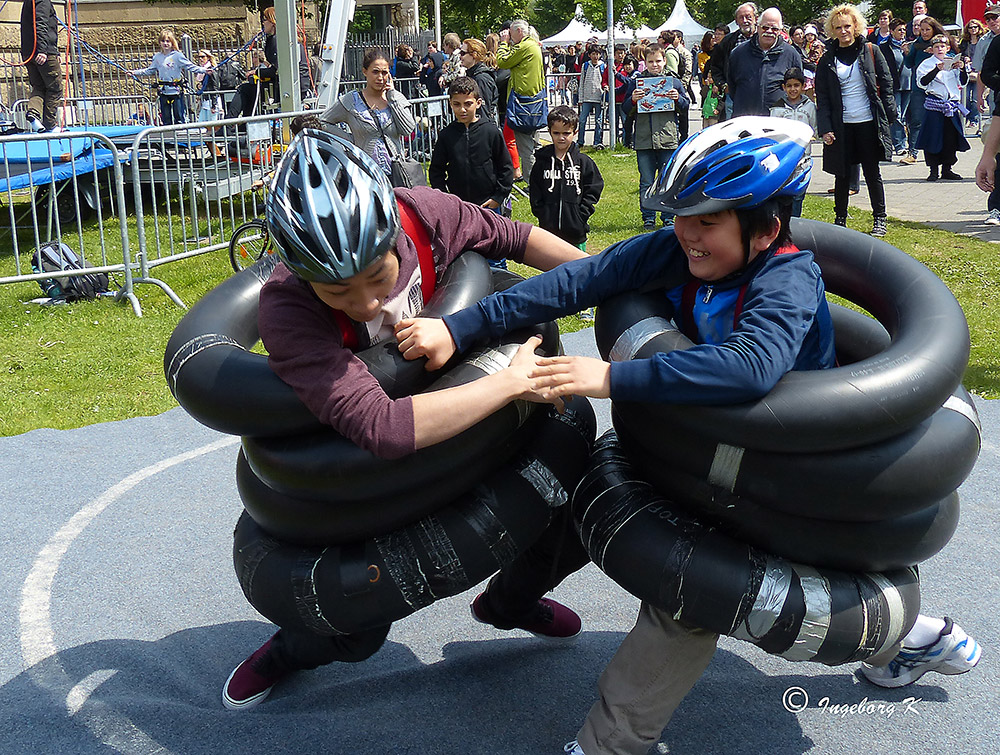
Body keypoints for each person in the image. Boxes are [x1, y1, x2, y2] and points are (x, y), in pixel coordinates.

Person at [391, 116, 982, 755]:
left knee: (689, 598)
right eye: (680, 217)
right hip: (688, 453)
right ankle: (510, 599)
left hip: (775, 480)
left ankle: (608, 744)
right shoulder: (676, 251)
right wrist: (465, 325)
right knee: (579, 501)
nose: (686, 235)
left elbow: (753, 365)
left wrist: (614, 375)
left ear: (766, 225)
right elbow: (579, 281)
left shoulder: (788, 278)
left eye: (707, 221)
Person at [222, 129, 593, 710]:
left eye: (377, 276)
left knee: (569, 495)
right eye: (337, 291)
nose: (366, 303)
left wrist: (607, 279)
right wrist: (510, 383)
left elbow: (518, 238)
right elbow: (382, 429)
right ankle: (293, 649)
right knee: (358, 625)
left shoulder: (426, 216)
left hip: (470, 420)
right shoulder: (288, 309)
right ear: (301, 275)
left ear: (393, 234)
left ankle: (512, 601)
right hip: (368, 471)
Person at [815, 4, 897, 237]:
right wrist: (826, 128)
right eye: (838, 27)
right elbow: (822, 97)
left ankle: (879, 218)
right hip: (842, 125)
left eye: (848, 26)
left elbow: (887, 83)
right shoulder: (827, 59)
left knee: (873, 173)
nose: (843, 31)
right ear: (832, 29)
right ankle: (840, 219)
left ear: (856, 26)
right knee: (842, 174)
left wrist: (889, 116)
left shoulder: (871, 50)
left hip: (868, 122)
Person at [321, 49, 416, 179]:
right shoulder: (350, 101)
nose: (380, 77)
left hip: (395, 173)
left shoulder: (396, 98)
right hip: (364, 174)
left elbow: (407, 129)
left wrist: (392, 98)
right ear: (365, 71)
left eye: (384, 73)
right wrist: (350, 140)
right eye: (375, 72)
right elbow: (323, 122)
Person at [429, 77, 513, 218]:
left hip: (488, 205)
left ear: (478, 103)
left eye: (468, 104)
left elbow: (505, 167)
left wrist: (498, 197)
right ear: (450, 104)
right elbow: (436, 170)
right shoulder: (446, 135)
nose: (462, 109)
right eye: (457, 104)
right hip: (458, 206)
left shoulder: (491, 132)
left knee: (492, 239)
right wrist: (444, 197)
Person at [528, 105, 604, 251]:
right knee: (552, 270)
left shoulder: (583, 162)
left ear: (574, 132)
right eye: (556, 133)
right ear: (550, 132)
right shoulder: (542, 162)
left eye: (566, 133)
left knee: (578, 269)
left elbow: (594, 186)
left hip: (576, 232)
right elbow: (535, 188)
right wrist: (542, 213)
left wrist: (581, 213)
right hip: (549, 232)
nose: (561, 137)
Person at [632, 44, 689, 229]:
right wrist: (633, 100)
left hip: (667, 138)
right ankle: (648, 217)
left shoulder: (674, 81)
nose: (655, 65)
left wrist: (677, 98)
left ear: (664, 61)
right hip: (644, 139)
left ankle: (668, 217)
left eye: (658, 61)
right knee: (647, 181)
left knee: (668, 180)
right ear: (645, 63)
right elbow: (626, 109)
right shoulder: (637, 82)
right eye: (650, 62)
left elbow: (686, 105)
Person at [226, 7, 311, 120]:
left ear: (273, 22)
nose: (262, 22)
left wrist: (257, 72)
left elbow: (278, 70)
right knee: (250, 91)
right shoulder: (281, 39)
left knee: (245, 90)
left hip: (290, 88)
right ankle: (244, 125)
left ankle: (229, 126)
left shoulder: (279, 41)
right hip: (290, 86)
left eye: (265, 19)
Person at [728, 7, 803, 117]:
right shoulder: (738, 53)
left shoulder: (792, 55)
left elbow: (797, 87)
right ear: (757, 27)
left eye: (774, 29)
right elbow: (732, 85)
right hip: (744, 118)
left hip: (778, 120)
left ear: (780, 31)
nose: (769, 31)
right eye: (765, 27)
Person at [915, 34, 970, 181]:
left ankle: (947, 169)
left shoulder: (953, 63)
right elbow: (922, 83)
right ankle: (933, 170)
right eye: (936, 47)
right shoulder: (926, 64)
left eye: (943, 46)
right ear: (932, 49)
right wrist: (936, 70)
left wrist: (962, 69)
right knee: (933, 138)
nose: (940, 49)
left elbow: (963, 83)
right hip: (935, 106)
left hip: (950, 106)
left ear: (948, 48)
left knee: (950, 139)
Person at [496, 18, 547, 178]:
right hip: (534, 102)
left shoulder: (524, 46)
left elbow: (502, 61)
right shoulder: (533, 45)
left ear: (519, 32)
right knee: (535, 145)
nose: (509, 37)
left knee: (525, 148)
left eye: (510, 34)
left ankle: (532, 183)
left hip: (523, 104)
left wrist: (503, 43)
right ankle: (542, 178)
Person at [129, 30, 211, 126]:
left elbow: (190, 66)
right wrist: (135, 73)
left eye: (168, 41)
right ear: (160, 42)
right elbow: (150, 70)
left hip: (176, 91)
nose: (165, 43)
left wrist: (204, 70)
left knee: (179, 117)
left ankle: (181, 135)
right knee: (166, 118)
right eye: (163, 41)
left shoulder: (177, 56)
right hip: (164, 91)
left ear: (172, 42)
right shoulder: (157, 57)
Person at [770, 67, 817, 215]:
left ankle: (795, 224)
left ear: (803, 86)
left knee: (798, 194)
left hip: (803, 158)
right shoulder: (777, 108)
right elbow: (773, 133)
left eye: (796, 85)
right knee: (782, 193)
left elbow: (814, 129)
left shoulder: (810, 107)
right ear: (784, 87)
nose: (793, 89)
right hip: (783, 158)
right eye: (789, 86)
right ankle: (780, 225)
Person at [900, 14, 944, 164]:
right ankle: (912, 153)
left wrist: (937, 52)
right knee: (916, 121)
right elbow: (909, 63)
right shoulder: (917, 44)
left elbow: (953, 56)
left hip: (939, 88)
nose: (924, 32)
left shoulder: (942, 43)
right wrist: (906, 53)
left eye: (927, 29)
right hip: (919, 88)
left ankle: (940, 156)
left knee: (939, 122)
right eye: (921, 29)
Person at [709, 2, 758, 120]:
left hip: (760, 94)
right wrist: (723, 85)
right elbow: (715, 66)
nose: (745, 20)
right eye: (741, 17)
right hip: (735, 95)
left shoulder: (765, 39)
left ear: (756, 18)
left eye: (748, 17)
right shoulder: (728, 42)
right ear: (736, 21)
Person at [20, 0, 61, 132]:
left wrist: (56, 51)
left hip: (29, 52)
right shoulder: (42, 1)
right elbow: (41, 24)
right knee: (55, 87)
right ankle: (50, 124)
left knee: (39, 86)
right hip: (42, 52)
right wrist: (43, 50)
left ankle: (33, 112)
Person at [880, 18, 910, 155]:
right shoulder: (885, 47)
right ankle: (899, 145)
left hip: (909, 85)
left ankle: (905, 143)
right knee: (896, 115)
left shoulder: (909, 45)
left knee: (905, 116)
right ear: (891, 31)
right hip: (894, 86)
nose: (902, 32)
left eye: (904, 29)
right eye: (899, 30)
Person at [460, 38, 499, 124]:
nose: (460, 57)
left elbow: (483, 111)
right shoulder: (472, 75)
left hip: (483, 129)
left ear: (474, 54)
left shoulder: (482, 78)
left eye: (462, 53)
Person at [577, 45, 607, 148]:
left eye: (597, 54)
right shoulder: (585, 66)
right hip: (586, 98)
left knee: (598, 121)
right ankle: (580, 141)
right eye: (593, 54)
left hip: (599, 98)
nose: (595, 56)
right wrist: (580, 98)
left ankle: (597, 141)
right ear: (589, 55)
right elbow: (582, 82)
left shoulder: (603, 66)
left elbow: (605, 80)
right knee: (582, 120)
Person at [961, 18, 987, 133]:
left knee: (976, 98)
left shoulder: (983, 41)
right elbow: (959, 55)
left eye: (975, 27)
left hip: (979, 72)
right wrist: (964, 59)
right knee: (965, 98)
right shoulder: (964, 42)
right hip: (967, 73)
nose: (973, 29)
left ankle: (974, 119)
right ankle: (967, 117)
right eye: (971, 27)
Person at [194, 50, 222, 123]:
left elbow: (215, 86)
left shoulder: (211, 70)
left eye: (203, 57)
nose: (200, 59)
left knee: (211, 125)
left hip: (211, 100)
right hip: (205, 100)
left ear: (208, 58)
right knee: (202, 124)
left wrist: (214, 105)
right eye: (199, 57)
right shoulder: (202, 70)